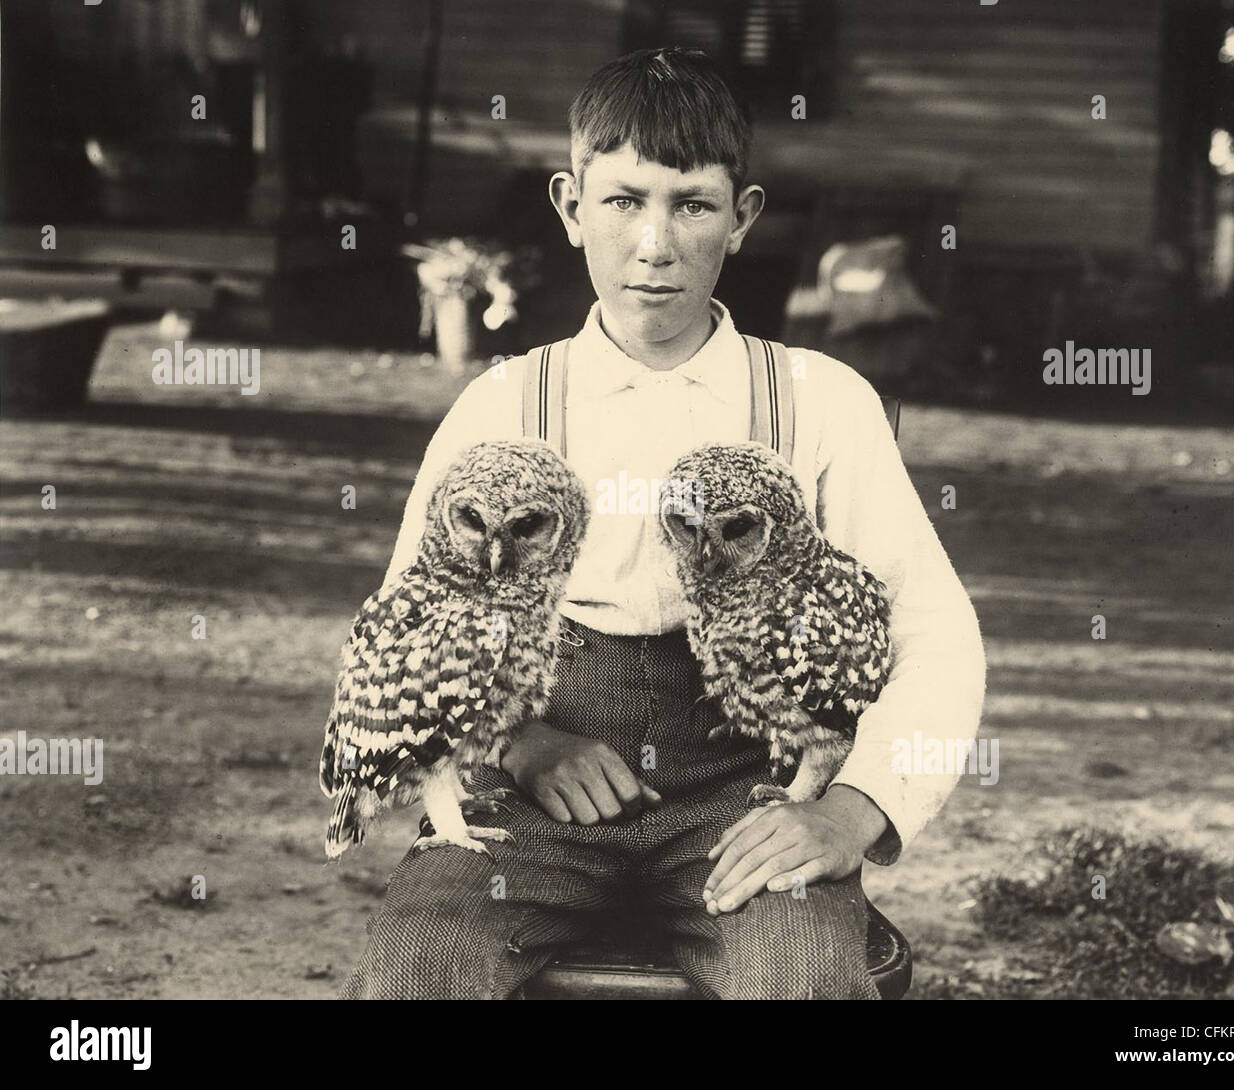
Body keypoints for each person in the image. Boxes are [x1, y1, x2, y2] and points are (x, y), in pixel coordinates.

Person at [340, 46, 985, 1000]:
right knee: (416, 966)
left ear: (743, 219)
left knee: (801, 972)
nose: (655, 243)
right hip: (533, 797)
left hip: (750, 790)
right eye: (622, 200)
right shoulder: (503, 405)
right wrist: (520, 743)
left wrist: (851, 810)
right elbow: (409, 634)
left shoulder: (819, 402)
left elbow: (938, 637)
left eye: (692, 204)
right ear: (568, 207)